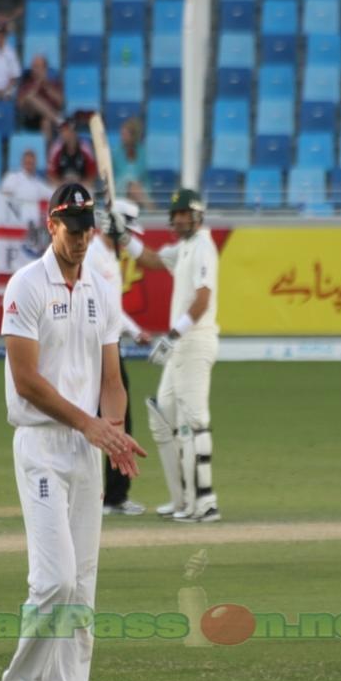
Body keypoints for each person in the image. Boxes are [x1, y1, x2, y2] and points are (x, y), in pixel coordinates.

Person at [0, 182, 145, 681]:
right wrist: (90, 425)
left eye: (89, 227)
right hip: (41, 445)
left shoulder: (101, 291)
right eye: (73, 226)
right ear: (52, 223)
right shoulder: (25, 285)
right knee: (54, 582)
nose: (83, 237)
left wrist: (112, 430)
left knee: (81, 597)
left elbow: (112, 376)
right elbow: (27, 379)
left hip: (86, 449)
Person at [107, 188, 221, 523]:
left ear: (196, 215)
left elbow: (201, 302)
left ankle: (205, 502)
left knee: (194, 421)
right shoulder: (184, 247)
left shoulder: (203, 247)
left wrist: (172, 336)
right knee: (163, 417)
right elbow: (151, 259)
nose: (178, 220)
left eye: (184, 214)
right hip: (180, 347)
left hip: (195, 343)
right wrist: (122, 234)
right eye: (176, 215)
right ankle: (181, 499)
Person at [85, 197, 152, 516]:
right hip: (96, 347)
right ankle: (112, 497)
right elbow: (101, 305)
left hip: (110, 343)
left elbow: (114, 308)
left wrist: (134, 330)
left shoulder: (110, 256)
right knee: (111, 417)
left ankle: (114, 495)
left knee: (114, 415)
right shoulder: (94, 256)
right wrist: (134, 330)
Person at [0, 148, 53, 226]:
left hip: (32, 220)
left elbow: (52, 193)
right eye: (27, 162)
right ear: (22, 162)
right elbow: (3, 195)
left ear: (35, 164)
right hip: (14, 219)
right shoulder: (12, 177)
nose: (29, 165)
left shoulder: (38, 183)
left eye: (31, 163)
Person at [16, 54, 63, 141]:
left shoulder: (52, 83)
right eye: (33, 66)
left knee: (46, 122)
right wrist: (37, 84)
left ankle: (47, 152)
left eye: (37, 66)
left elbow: (60, 102)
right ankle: (58, 121)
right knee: (30, 98)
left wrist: (46, 85)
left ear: (45, 69)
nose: (34, 69)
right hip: (31, 117)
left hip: (48, 118)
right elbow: (20, 104)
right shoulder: (27, 82)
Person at [112, 118, 152, 210]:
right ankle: (152, 211)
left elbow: (141, 174)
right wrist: (130, 182)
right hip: (120, 187)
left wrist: (133, 183)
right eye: (121, 134)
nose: (122, 137)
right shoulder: (116, 152)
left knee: (135, 189)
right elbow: (117, 176)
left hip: (140, 186)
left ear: (133, 136)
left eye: (125, 134)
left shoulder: (142, 152)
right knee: (133, 188)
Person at [47, 120, 96, 189]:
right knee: (51, 189)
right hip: (61, 187)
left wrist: (79, 185)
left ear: (73, 132)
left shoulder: (86, 148)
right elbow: (51, 175)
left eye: (65, 131)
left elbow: (92, 175)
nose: (63, 134)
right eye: (62, 131)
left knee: (91, 190)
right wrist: (63, 184)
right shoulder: (56, 148)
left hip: (82, 186)